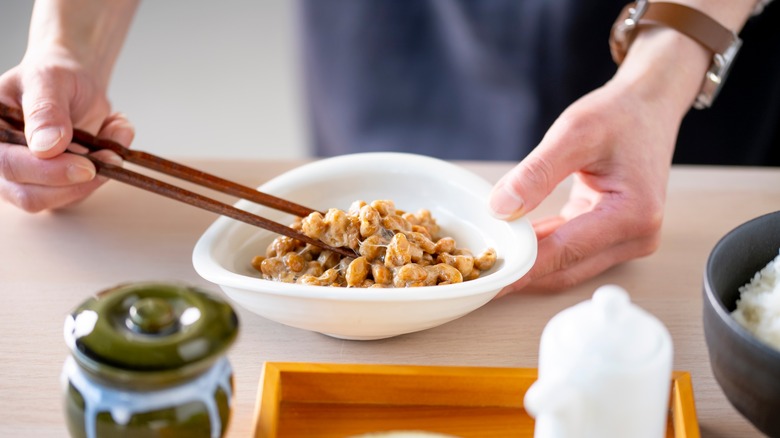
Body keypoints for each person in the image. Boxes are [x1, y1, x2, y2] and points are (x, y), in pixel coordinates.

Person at [0, 0, 774, 294]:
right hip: (392, 26)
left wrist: (669, 64)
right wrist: (71, 41)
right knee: (330, 222)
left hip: (657, 32)